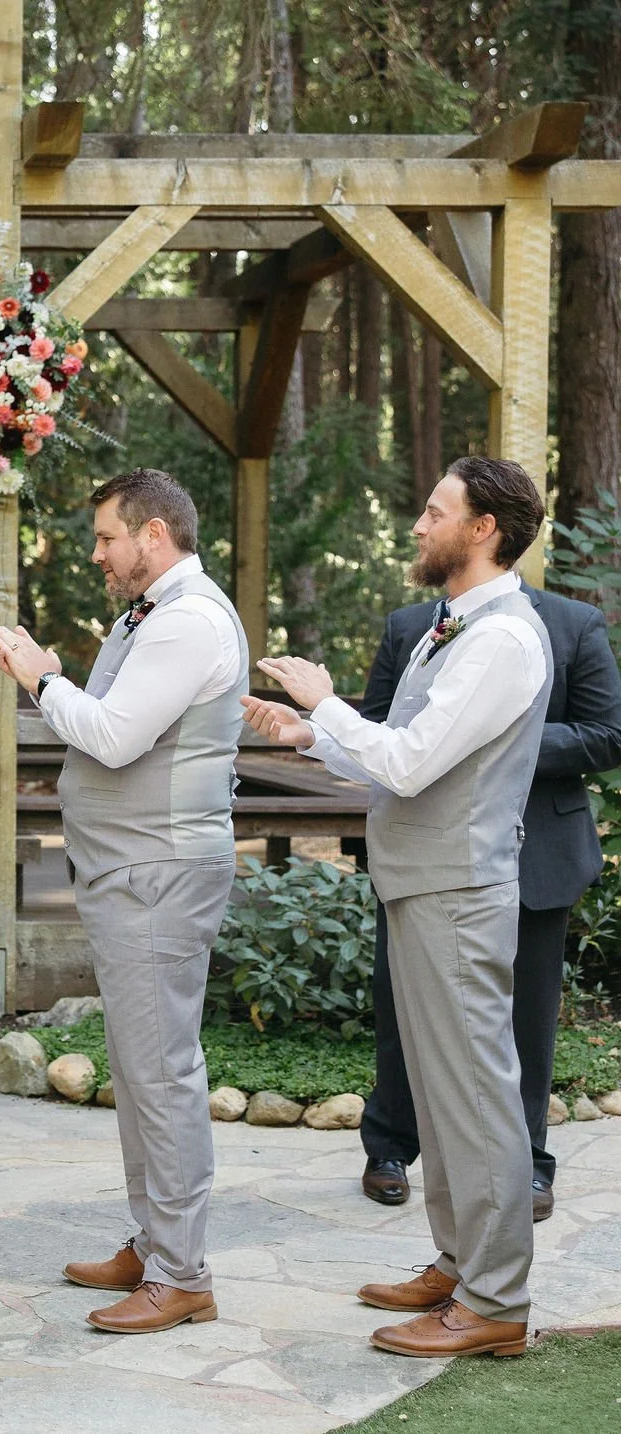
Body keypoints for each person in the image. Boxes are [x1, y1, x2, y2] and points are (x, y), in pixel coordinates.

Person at [245, 455, 551, 1359]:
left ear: (482, 529)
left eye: (434, 510)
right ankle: (459, 1263)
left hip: (459, 891)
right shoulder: (451, 628)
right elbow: (398, 754)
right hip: (422, 884)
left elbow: (411, 762)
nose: (419, 525)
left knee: (477, 1096)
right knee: (440, 1090)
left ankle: (495, 1298)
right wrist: (312, 735)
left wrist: (327, 700)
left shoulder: (502, 640)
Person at [0, 468, 247, 1336]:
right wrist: (58, 677)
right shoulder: (152, 616)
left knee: (163, 1072)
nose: (97, 553)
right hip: (130, 871)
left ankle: (182, 1274)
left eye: (106, 537)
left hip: (158, 873)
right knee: (138, 1070)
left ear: (156, 535)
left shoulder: (190, 621)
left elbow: (113, 734)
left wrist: (38, 677)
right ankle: (154, 1240)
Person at [355, 583, 621, 1220]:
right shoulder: (410, 624)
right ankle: (389, 1144)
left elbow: (607, 733)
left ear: (485, 526)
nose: (423, 526)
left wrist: (496, 738)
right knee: (403, 1002)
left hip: (540, 849)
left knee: (526, 1013)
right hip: (426, 844)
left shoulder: (572, 623)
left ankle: (528, 1162)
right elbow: (376, 726)